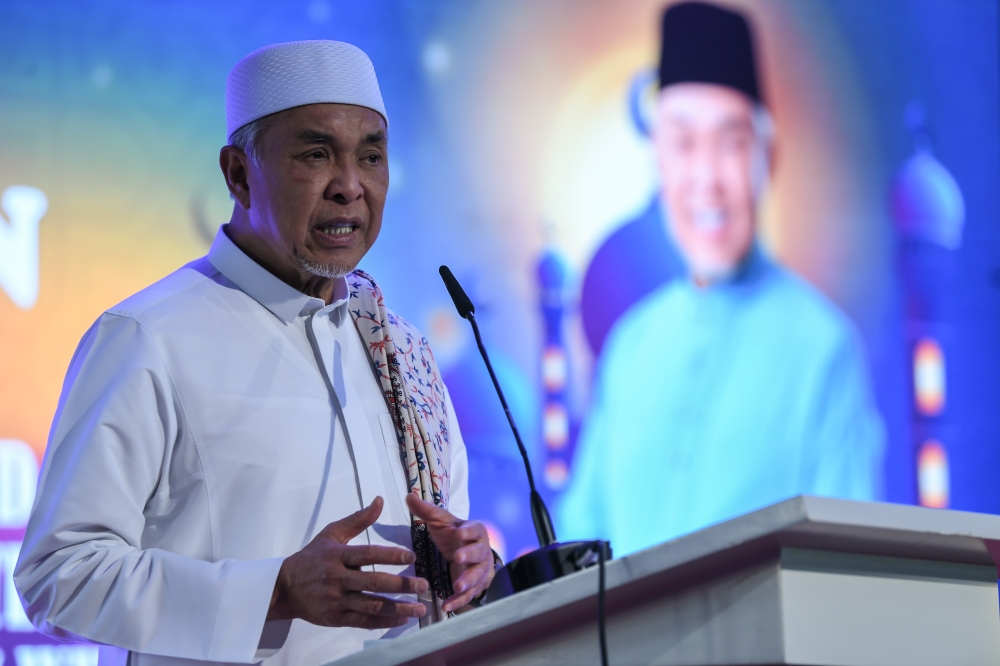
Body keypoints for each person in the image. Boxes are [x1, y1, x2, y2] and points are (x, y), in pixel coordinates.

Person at [15, 41, 496, 665]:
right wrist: (274, 592)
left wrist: (471, 565)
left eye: (370, 155)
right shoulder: (148, 337)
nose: (350, 187)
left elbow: (449, 533)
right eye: (316, 154)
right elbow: (58, 576)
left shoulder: (401, 353)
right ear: (239, 174)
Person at [558, 2, 884, 556]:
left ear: (768, 158)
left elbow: (850, 571)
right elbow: (577, 551)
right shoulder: (631, 348)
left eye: (731, 143)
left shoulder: (822, 348)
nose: (706, 178)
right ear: (659, 162)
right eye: (684, 143)